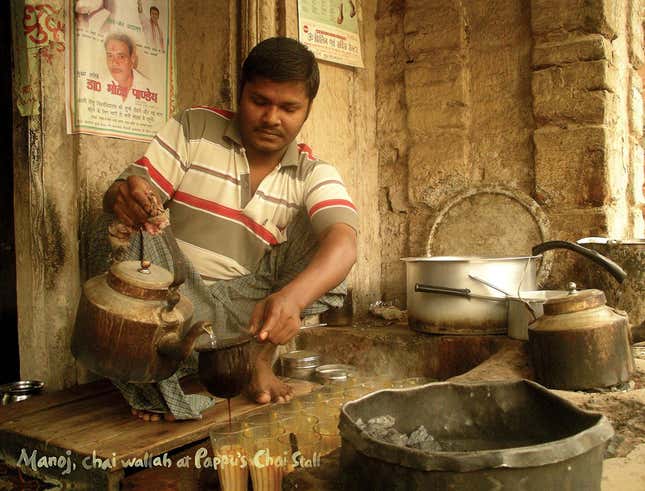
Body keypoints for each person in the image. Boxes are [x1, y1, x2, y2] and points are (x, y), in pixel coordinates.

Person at [102, 37, 358, 421]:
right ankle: (155, 389)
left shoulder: (312, 171)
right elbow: (131, 193)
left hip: (245, 311)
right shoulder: (195, 127)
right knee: (118, 222)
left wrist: (293, 298)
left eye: (289, 108)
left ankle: (254, 360)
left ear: (306, 111)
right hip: (174, 301)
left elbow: (344, 241)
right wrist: (124, 196)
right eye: (260, 101)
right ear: (240, 94)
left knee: (336, 248)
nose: (272, 118)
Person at [104, 32, 152, 104]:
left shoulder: (149, 89)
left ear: (132, 59)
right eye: (110, 56)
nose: (114, 62)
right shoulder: (100, 87)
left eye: (121, 57)